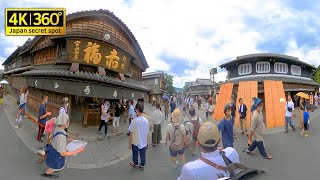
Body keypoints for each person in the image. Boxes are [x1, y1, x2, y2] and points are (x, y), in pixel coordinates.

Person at [41, 112, 84, 178]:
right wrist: (77, 151)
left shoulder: (57, 127)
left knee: (54, 165)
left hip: (52, 148)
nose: (68, 123)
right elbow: (63, 153)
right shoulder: (61, 136)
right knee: (54, 167)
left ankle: (53, 169)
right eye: (68, 121)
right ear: (64, 124)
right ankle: (47, 174)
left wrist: (68, 139)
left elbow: (56, 136)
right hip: (55, 154)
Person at [128, 102, 149, 171]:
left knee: (135, 154)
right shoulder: (146, 121)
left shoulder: (134, 121)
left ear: (136, 110)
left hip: (135, 142)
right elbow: (147, 133)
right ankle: (142, 166)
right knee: (143, 155)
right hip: (143, 141)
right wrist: (147, 142)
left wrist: (129, 144)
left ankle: (136, 164)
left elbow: (131, 133)